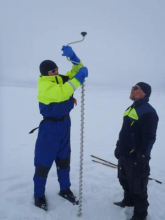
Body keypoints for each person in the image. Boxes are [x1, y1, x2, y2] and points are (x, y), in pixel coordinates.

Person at [32, 45, 88, 211]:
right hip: (50, 129)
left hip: (64, 125)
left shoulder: (60, 79)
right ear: (45, 73)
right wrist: (78, 78)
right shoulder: (45, 86)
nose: (56, 72)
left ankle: (65, 189)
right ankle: (39, 195)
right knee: (43, 163)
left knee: (64, 160)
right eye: (52, 71)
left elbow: (76, 71)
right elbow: (63, 92)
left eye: (56, 69)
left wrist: (75, 59)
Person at [114, 82, 159, 220]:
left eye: (135, 88)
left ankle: (140, 214)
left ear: (144, 93)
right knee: (124, 180)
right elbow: (125, 130)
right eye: (132, 87)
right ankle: (128, 201)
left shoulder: (148, 112)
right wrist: (118, 146)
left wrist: (143, 158)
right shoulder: (132, 107)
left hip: (136, 157)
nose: (131, 90)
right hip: (124, 153)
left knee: (138, 187)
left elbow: (150, 138)